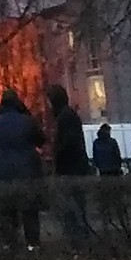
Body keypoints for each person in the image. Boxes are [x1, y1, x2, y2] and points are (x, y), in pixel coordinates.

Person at [0, 89, 45, 252]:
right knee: (30, 210)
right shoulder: (28, 121)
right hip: (27, 169)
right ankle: (33, 244)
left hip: (3, 172)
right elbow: (41, 140)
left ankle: (9, 244)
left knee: (6, 209)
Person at [47, 85, 92, 245]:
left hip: (71, 168)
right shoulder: (66, 115)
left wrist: (56, 152)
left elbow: (69, 142)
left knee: (73, 205)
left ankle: (78, 237)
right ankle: (77, 234)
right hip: (73, 166)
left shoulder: (66, 117)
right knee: (74, 205)